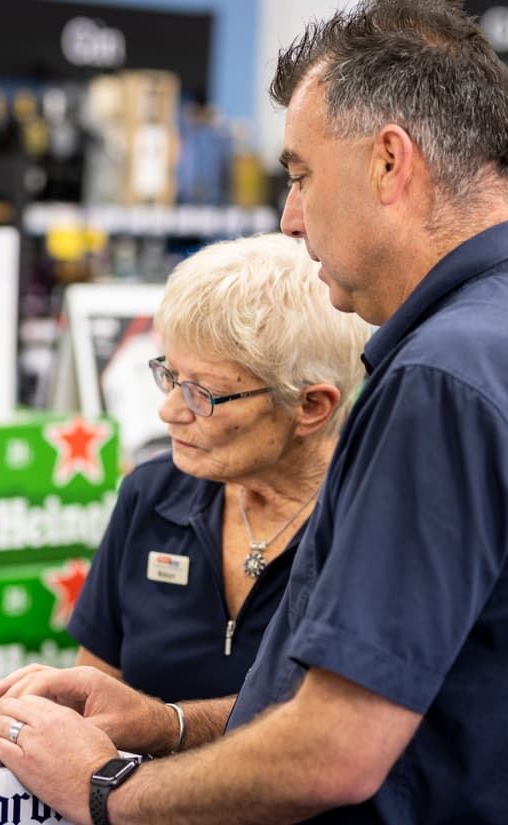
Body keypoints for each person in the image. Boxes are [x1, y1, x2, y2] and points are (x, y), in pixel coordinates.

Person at [0, 2, 508, 823]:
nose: (290, 218)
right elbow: (439, 683)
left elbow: (337, 748)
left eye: (300, 175)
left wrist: (106, 787)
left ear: (389, 162)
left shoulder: (442, 377)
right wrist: (165, 721)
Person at [67, 232, 372, 702]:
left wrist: (166, 727)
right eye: (169, 375)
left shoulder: (368, 526)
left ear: (311, 406)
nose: (168, 410)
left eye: (202, 394)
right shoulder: (153, 495)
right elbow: (97, 687)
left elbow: (339, 727)